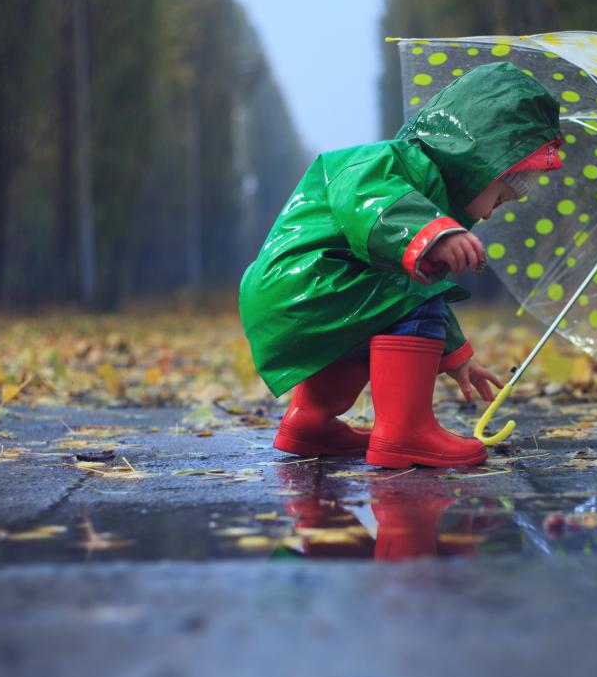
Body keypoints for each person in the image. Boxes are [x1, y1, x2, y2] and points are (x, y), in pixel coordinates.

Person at [239, 61, 563, 468]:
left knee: (387, 301)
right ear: (482, 164)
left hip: (307, 293)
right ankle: (404, 432)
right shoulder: (395, 165)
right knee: (409, 285)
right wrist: (434, 232)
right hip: (310, 285)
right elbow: (366, 200)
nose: (493, 213)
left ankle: (310, 421)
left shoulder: (421, 183)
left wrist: (458, 357)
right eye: (499, 198)